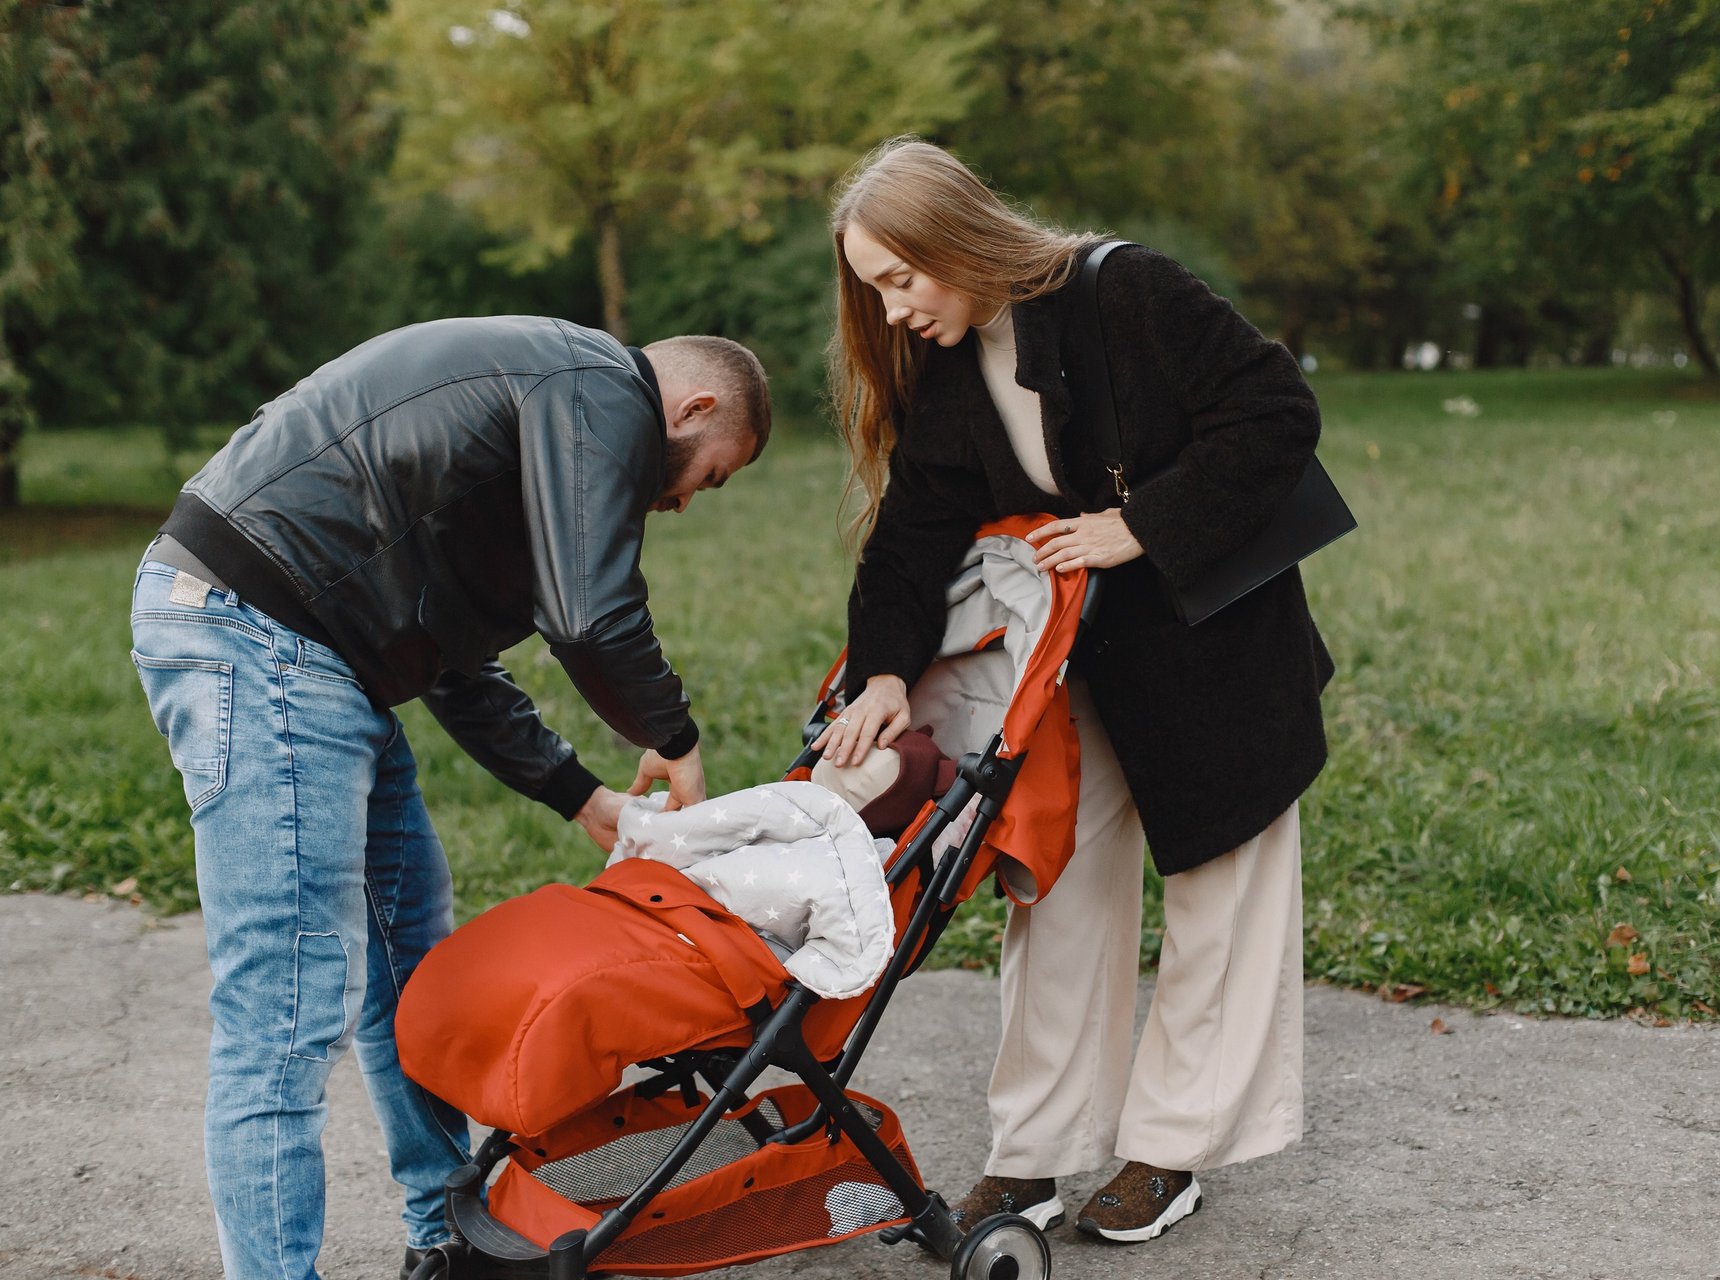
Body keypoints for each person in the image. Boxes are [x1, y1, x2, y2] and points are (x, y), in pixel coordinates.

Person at [128, 317, 771, 1280]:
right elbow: (589, 613)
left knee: (412, 974)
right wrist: (672, 737)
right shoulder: (598, 385)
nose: (682, 504)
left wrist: (577, 793)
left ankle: (446, 1240)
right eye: (707, 476)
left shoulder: (530, 434)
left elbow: (445, 656)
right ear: (693, 407)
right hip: (259, 635)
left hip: (321, 660)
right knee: (286, 1007)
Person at [819, 139, 1334, 1245]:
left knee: (1221, 903)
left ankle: (1171, 1150)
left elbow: (1276, 413)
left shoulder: (1127, 289)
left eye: (903, 278)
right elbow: (909, 544)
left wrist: (1137, 524)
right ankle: (1035, 1155)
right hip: (1074, 673)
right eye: (875, 290)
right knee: (1053, 895)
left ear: (956, 238)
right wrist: (884, 673)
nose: (895, 309)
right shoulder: (951, 375)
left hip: (1223, 655)